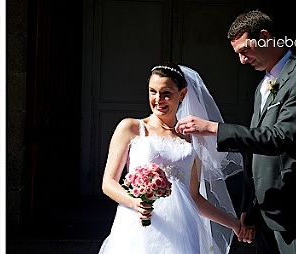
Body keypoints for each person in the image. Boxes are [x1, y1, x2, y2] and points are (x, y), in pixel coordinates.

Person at [175, 10, 296, 254]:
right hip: (265, 215)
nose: (242, 60)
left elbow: (280, 137)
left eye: (244, 51)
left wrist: (212, 128)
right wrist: (247, 208)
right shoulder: (263, 85)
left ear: (264, 36)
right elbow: (255, 153)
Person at [99, 63, 247, 254]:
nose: (158, 99)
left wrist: (234, 224)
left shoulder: (192, 138)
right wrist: (134, 202)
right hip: (139, 223)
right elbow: (108, 183)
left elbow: (194, 197)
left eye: (166, 93)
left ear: (182, 94)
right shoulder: (131, 128)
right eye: (153, 92)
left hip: (182, 228)